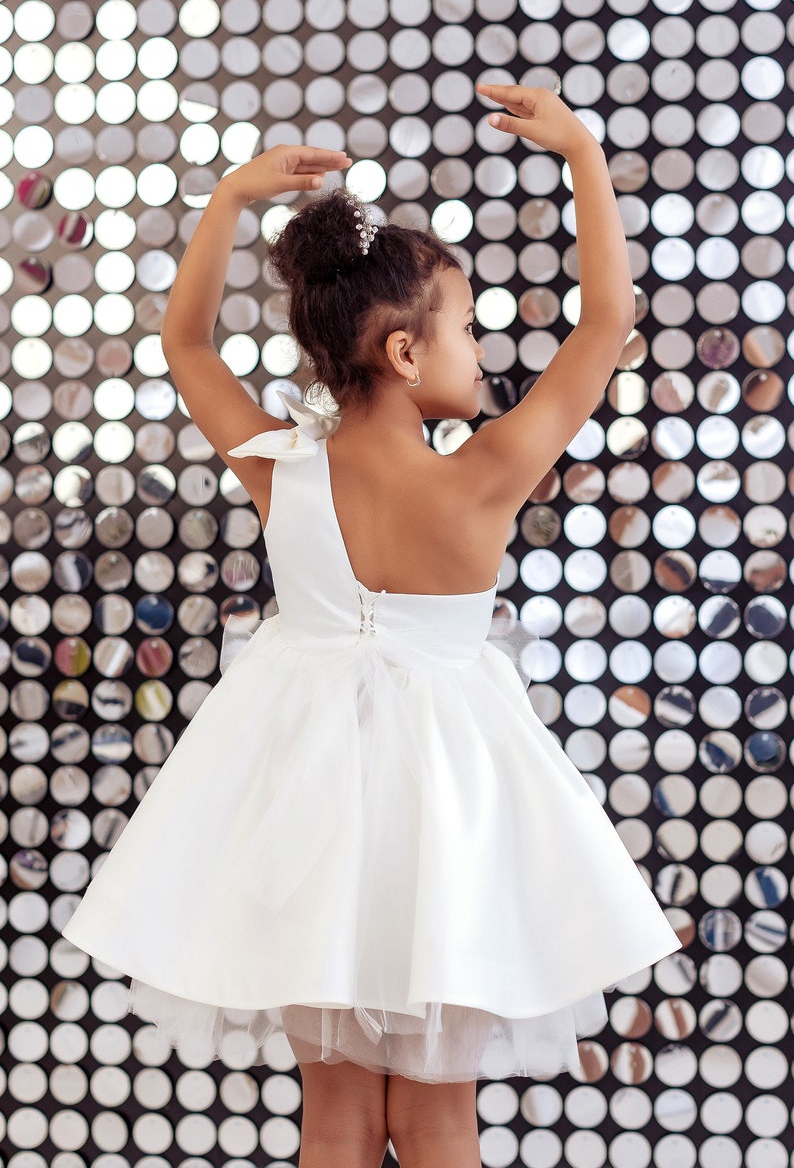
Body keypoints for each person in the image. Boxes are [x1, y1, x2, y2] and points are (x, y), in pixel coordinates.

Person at [62, 85, 682, 1168]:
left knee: (338, 1119)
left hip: (307, 819)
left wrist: (228, 199)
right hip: (451, 814)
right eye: (469, 328)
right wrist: (581, 151)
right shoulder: (487, 477)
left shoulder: (280, 469)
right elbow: (604, 323)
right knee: (438, 1120)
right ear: (404, 356)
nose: (480, 353)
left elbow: (186, 347)